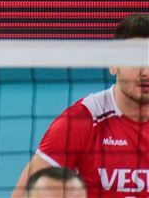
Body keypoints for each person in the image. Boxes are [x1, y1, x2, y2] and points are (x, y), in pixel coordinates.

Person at [11, 14, 149, 198]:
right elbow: (22, 195)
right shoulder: (82, 120)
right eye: (136, 60)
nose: (146, 72)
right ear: (113, 64)